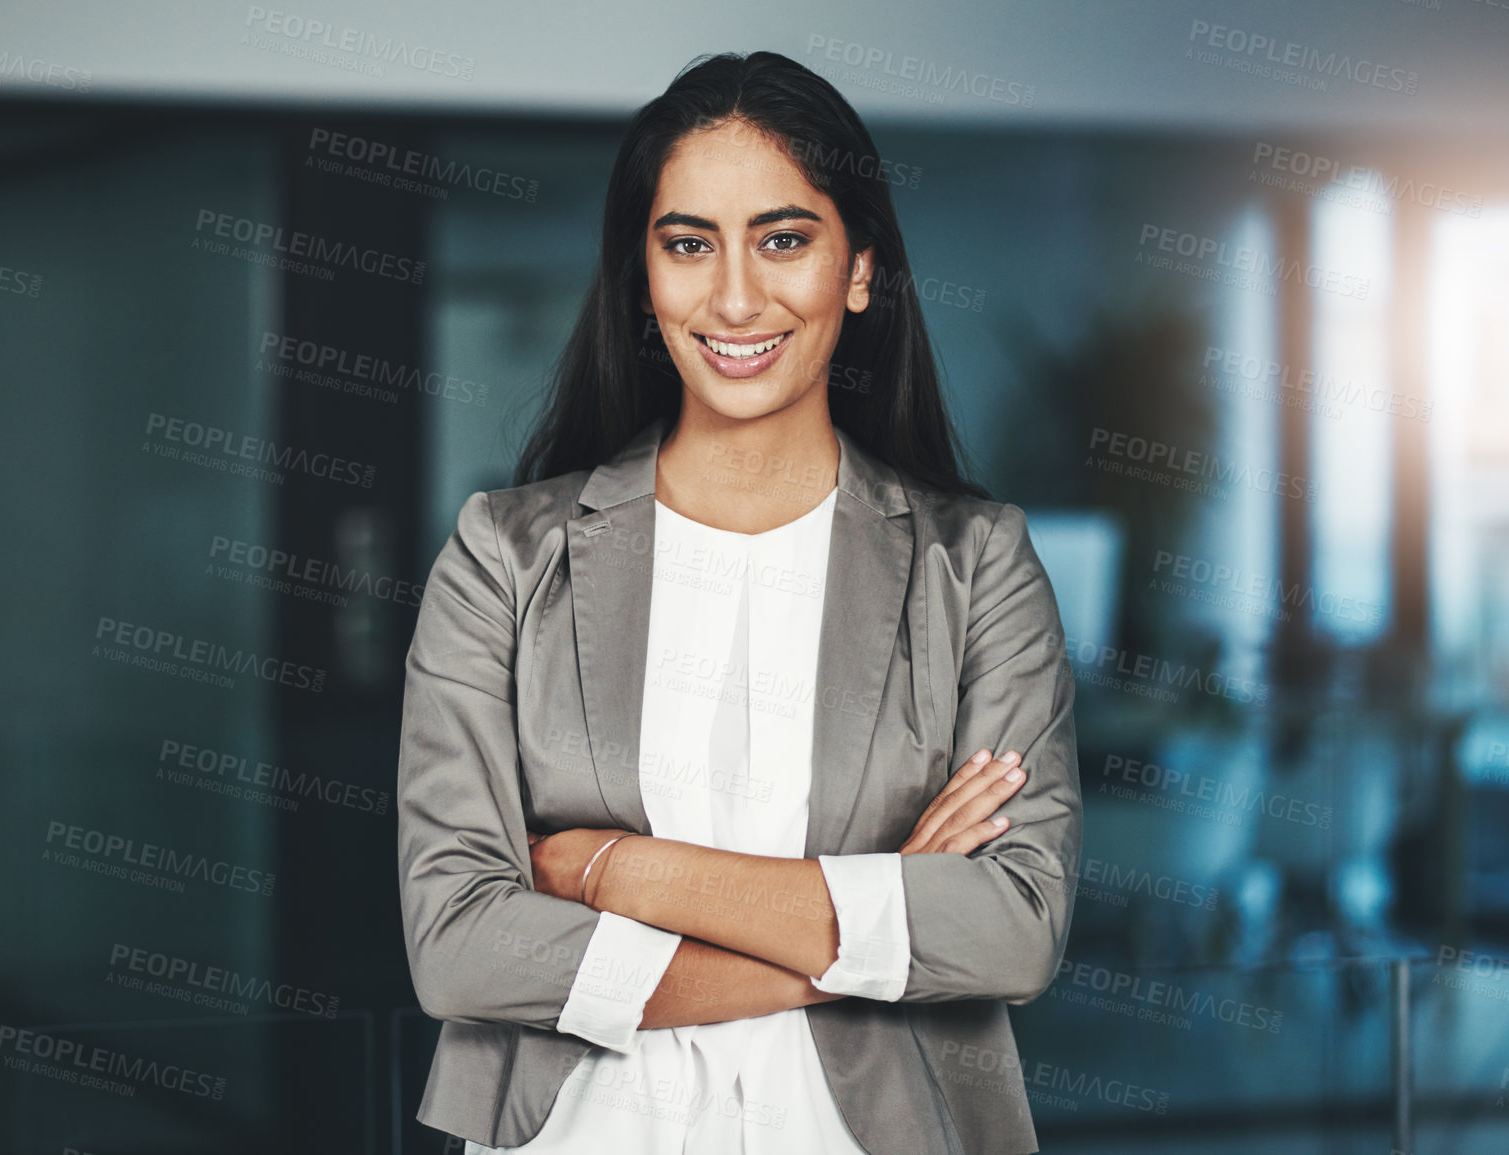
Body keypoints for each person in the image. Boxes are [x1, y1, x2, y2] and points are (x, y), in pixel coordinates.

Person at [398, 50, 1081, 1155]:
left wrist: (616, 872)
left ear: (858, 268)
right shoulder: (506, 558)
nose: (733, 296)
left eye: (783, 239)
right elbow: (461, 945)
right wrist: (880, 927)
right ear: (642, 276)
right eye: (687, 244)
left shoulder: (977, 564)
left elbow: (1011, 931)